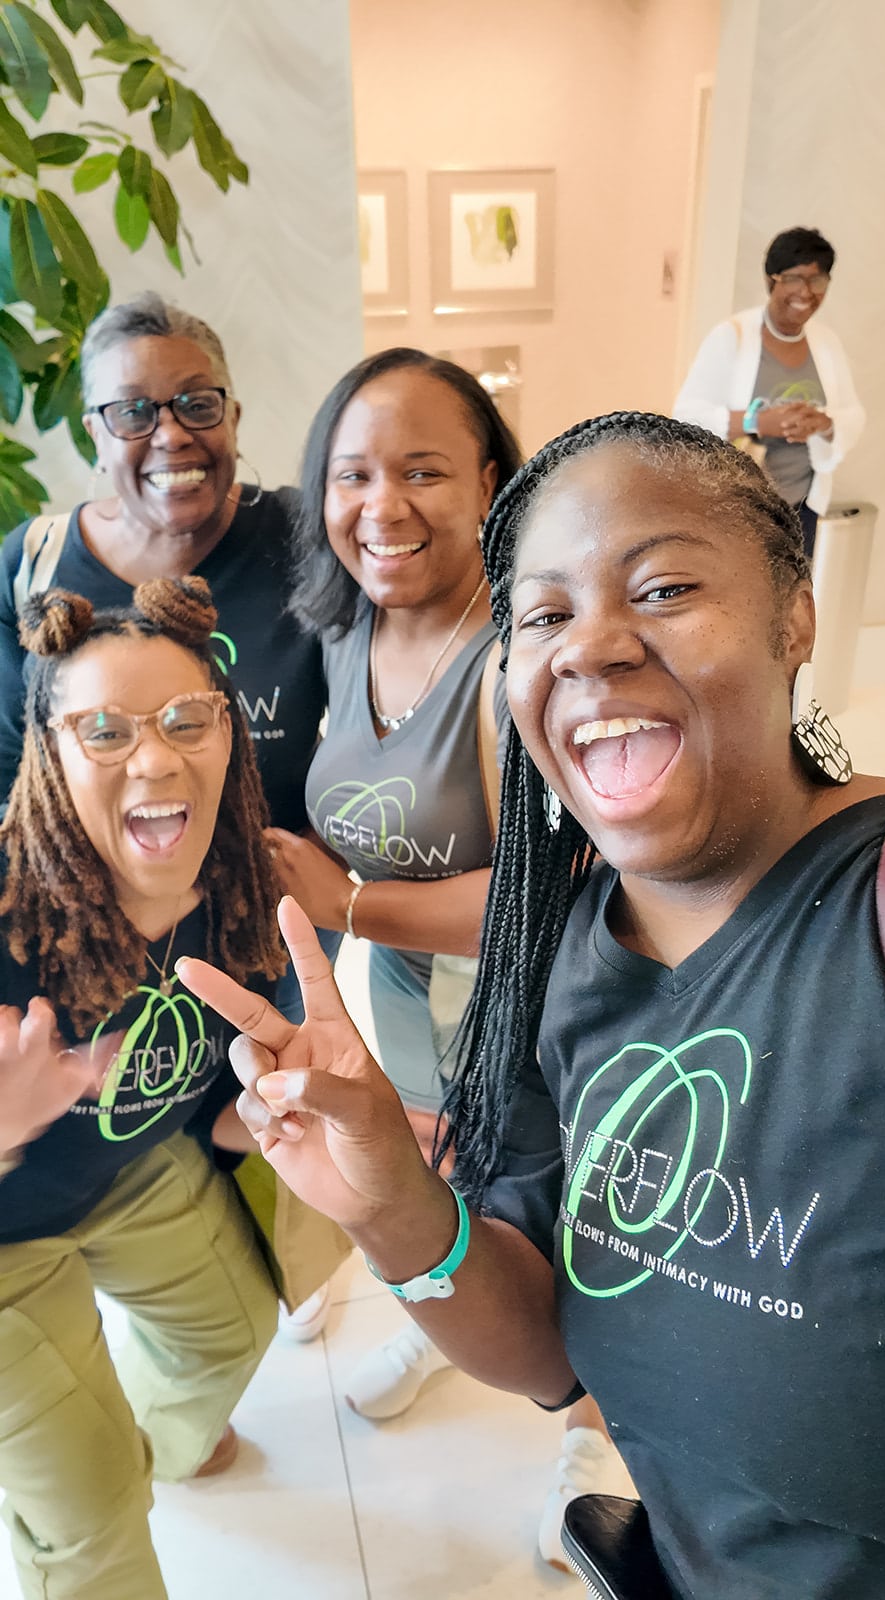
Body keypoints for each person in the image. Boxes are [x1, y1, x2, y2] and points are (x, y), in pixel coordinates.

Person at [181, 412, 885, 1599]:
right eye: (544, 615)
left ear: (795, 617)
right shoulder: (558, 950)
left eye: (663, 588)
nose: (591, 645)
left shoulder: (878, 902)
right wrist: (390, 1200)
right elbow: (546, 1351)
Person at [269, 346, 628, 1561]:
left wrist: (351, 904)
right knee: (451, 1167)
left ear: (489, 483)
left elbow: (554, 887)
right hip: (411, 987)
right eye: (354, 473)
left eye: (422, 470)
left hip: (526, 993)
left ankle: (590, 1424)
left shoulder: (518, 651)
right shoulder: (343, 626)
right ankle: (454, 1322)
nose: (384, 505)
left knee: (564, 1202)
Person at [0, 577, 287, 1600]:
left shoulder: (246, 889)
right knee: (91, 1518)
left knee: (237, 1326)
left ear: (228, 734)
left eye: (184, 720)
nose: (156, 758)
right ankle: (91, 1479)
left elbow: (237, 1089)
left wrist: (287, 1113)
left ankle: (143, 1442)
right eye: (106, 730)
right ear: (52, 755)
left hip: (133, 1168)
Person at [0, 290, 332, 1022]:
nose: (171, 434)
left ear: (233, 416)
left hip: (269, 931)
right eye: (133, 412)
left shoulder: (304, 539)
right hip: (94, 953)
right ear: (94, 433)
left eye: (197, 404)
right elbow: (9, 775)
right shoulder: (32, 564)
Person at [674, 226, 864, 559]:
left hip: (802, 508)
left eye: (817, 280)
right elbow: (687, 416)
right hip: (739, 508)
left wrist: (822, 423)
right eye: (793, 278)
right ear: (770, 280)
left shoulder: (826, 343)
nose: (806, 291)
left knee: (794, 589)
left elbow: (853, 414)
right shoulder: (731, 336)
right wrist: (759, 422)